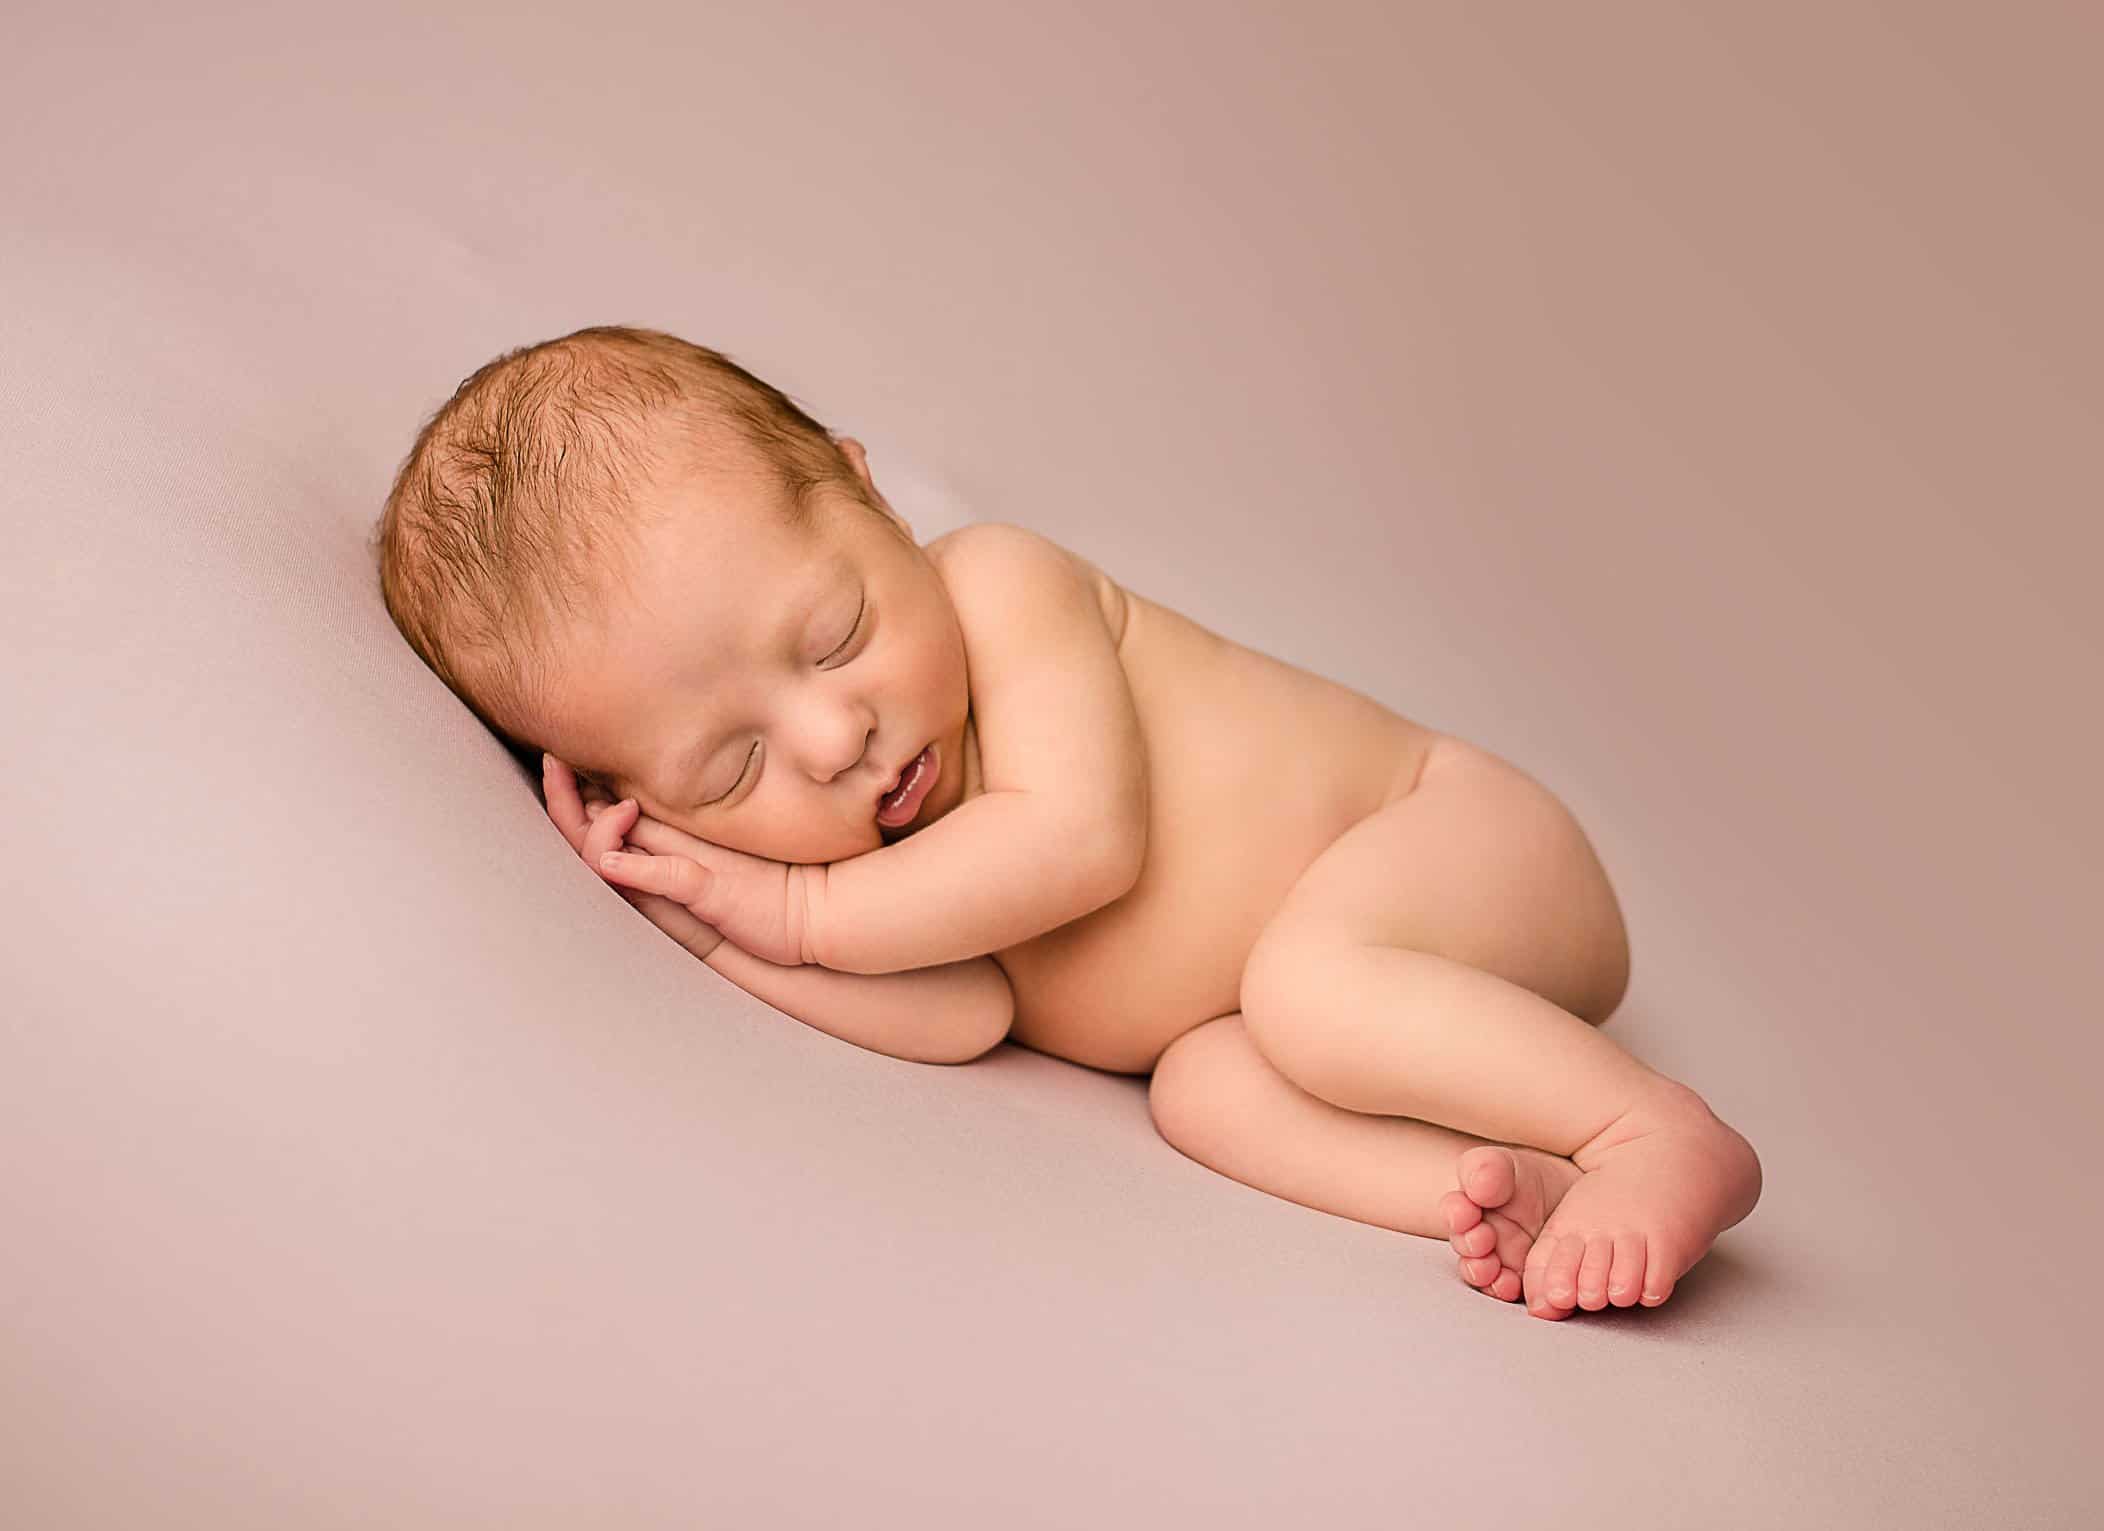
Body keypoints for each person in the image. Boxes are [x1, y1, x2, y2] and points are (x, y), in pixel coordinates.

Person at [373, 323, 1761, 1320]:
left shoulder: (1000, 586)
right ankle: (1509, 1188)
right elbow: (964, 1010)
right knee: (1203, 1093)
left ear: (870, 496)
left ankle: (1653, 1133)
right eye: (730, 771)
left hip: (1462, 841)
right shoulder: (863, 873)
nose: (832, 737)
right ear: (643, 798)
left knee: (1308, 985)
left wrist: (794, 909)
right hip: (1323, 1009)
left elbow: (1077, 841)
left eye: (838, 630)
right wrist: (712, 928)